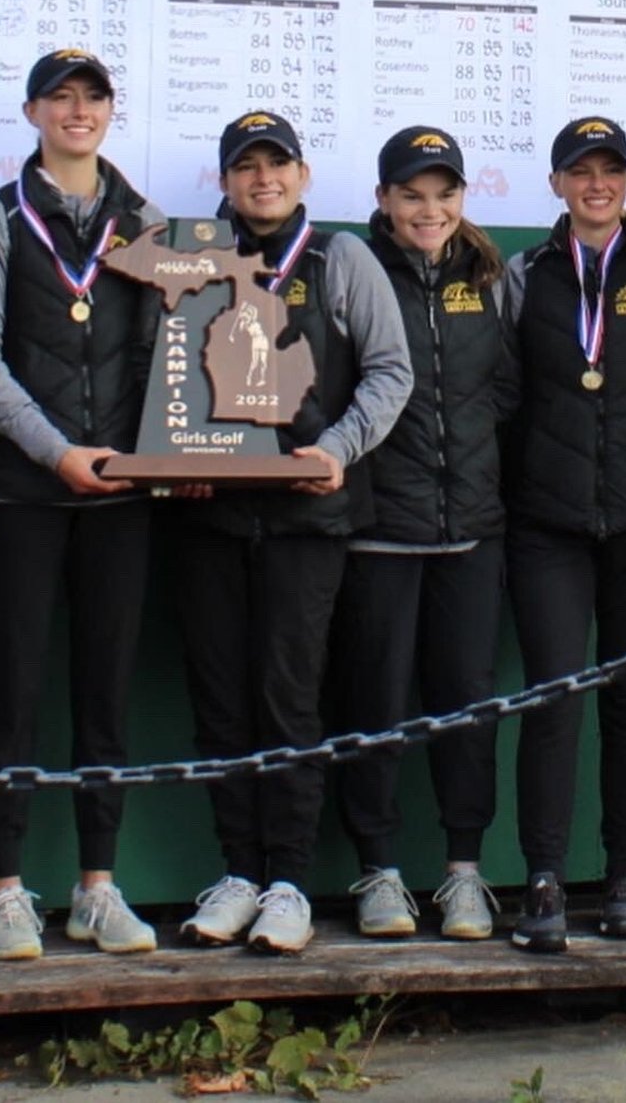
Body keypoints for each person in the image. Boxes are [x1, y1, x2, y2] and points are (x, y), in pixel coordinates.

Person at [175, 111, 412, 954]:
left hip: (308, 519)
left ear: (304, 175)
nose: (262, 179)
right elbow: (167, 377)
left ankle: (288, 881)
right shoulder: (195, 253)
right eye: (246, 167)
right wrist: (179, 456)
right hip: (211, 515)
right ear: (228, 179)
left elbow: (392, 371)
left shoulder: (340, 257)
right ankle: (238, 870)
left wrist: (337, 449)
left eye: (277, 164)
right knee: (219, 699)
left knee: (288, 695)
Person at [0, 49, 162, 961]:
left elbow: (172, 354)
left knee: (105, 692)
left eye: (94, 98)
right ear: (33, 111)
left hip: (122, 498)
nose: (78, 113)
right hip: (23, 491)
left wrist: (163, 454)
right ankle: (6, 891)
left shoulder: (145, 221)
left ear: (112, 111)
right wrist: (56, 451)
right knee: (13, 689)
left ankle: (98, 887)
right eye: (61, 99)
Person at [329, 126, 515, 943]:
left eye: (444, 195)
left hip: (473, 530)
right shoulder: (354, 270)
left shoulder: (489, 278)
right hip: (380, 530)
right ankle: (379, 871)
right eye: (412, 195)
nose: (429, 210)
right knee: (373, 705)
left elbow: (506, 390)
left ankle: (464, 873)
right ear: (384, 202)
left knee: (465, 707)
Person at [503, 118, 626, 952]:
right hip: (549, 523)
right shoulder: (525, 276)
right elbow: (498, 394)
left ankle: (624, 873)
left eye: (611, 169)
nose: (597, 183)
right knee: (551, 699)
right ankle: (542, 875)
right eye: (581, 170)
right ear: (558, 183)